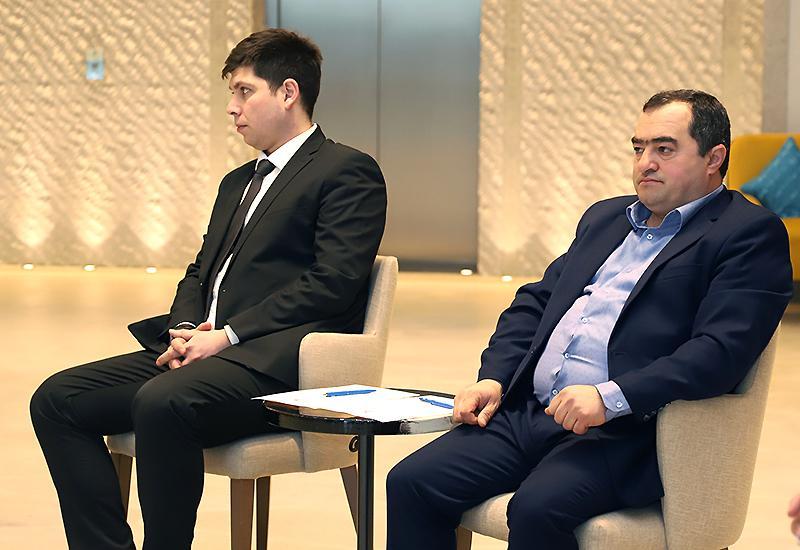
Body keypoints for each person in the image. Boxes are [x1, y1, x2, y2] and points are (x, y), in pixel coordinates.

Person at [386, 89, 792, 550]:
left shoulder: (748, 234)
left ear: (714, 158)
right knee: (412, 482)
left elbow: (720, 353)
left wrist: (609, 397)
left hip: (625, 433)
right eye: (638, 148)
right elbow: (535, 302)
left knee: (537, 509)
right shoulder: (606, 217)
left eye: (664, 149)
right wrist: (494, 377)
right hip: (530, 412)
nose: (645, 163)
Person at [30, 28, 386, 550]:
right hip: (206, 353)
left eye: (245, 91)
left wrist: (227, 336)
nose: (232, 107)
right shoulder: (237, 182)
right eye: (231, 93)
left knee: (161, 402)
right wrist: (183, 329)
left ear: (288, 93)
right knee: (57, 400)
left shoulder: (345, 171)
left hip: (275, 368)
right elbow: (200, 272)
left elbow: (332, 283)